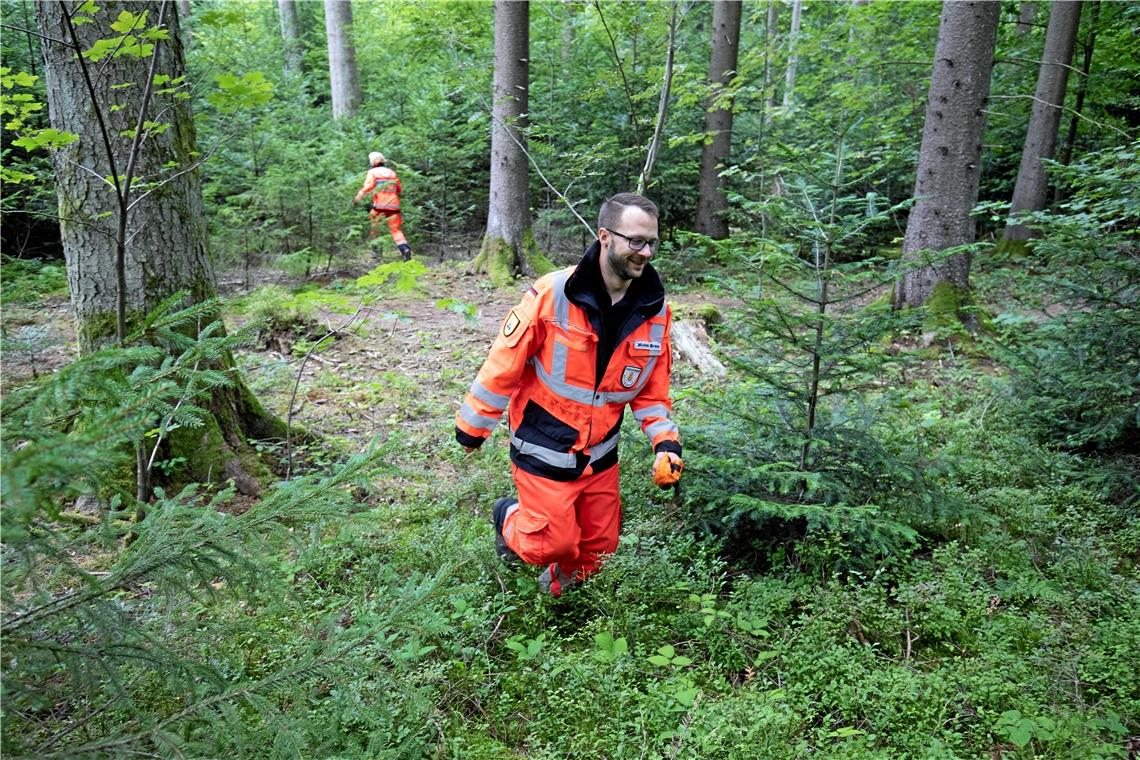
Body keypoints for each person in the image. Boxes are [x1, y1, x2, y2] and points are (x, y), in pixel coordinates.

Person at [455, 193, 683, 596]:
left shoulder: (655, 311)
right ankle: (506, 516)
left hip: (600, 453)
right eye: (635, 241)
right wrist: (474, 425)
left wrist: (665, 441)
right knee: (550, 543)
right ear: (605, 236)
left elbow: (651, 391)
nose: (645, 252)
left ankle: (558, 598)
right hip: (544, 441)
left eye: (651, 243)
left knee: (598, 550)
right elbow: (503, 363)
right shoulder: (553, 293)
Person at [354, 151, 412, 261]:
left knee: (375, 228)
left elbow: (368, 187)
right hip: (394, 207)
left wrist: (358, 197)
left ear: (372, 161)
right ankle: (405, 249)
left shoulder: (373, 172)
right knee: (395, 230)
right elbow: (399, 189)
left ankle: (376, 253)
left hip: (379, 207)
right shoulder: (391, 172)